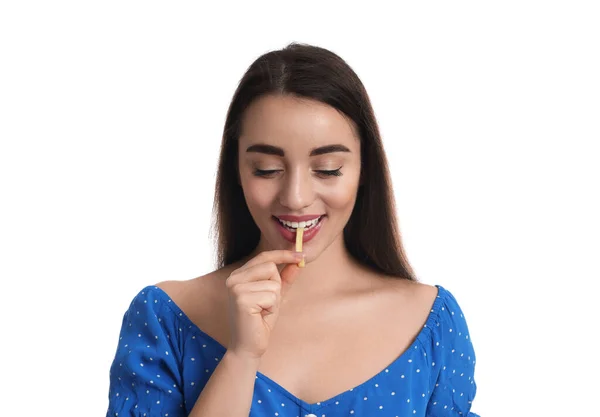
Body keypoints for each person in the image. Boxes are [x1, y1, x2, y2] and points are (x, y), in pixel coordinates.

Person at [105, 42, 480, 417]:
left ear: (365, 169)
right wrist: (240, 357)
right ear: (236, 169)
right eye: (266, 169)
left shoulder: (431, 322)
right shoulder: (165, 319)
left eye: (329, 168)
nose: (296, 198)